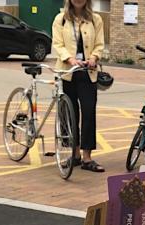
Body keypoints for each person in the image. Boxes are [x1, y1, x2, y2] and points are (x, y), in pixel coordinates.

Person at [52, 0, 105, 172]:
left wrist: (94, 58)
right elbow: (58, 44)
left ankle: (87, 158)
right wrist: (69, 58)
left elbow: (99, 45)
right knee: (69, 114)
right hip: (67, 72)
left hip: (88, 73)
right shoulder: (60, 19)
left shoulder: (96, 19)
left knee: (89, 112)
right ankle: (74, 155)